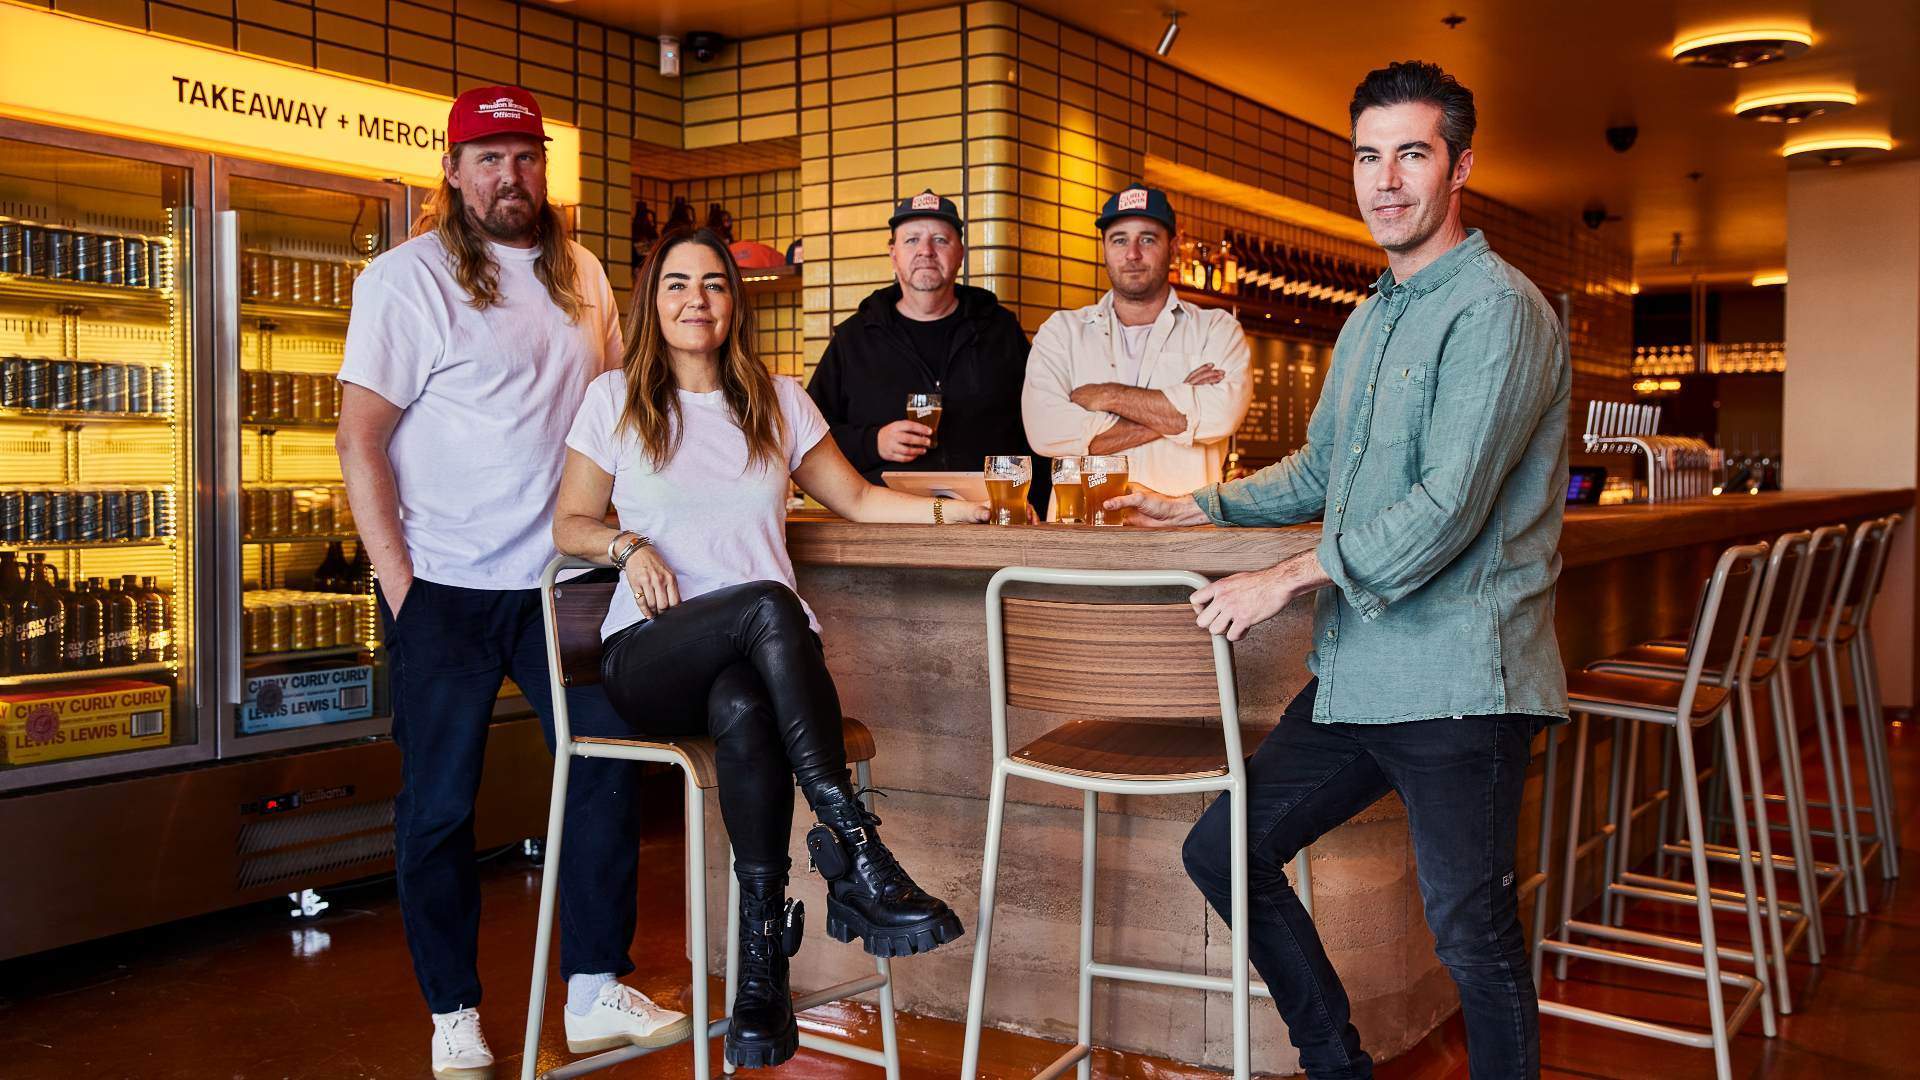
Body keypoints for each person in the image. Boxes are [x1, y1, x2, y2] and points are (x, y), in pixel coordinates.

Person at [1114, 62, 1570, 1078]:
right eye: (1369, 156)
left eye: (1411, 153)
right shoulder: (1372, 314)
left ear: (1460, 167)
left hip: (1460, 680)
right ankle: (1337, 1067)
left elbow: (1447, 510)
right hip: (1362, 674)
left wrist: (1282, 577)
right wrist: (1202, 502)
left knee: (1472, 941)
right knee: (1223, 850)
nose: (1386, 179)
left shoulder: (1500, 310)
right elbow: (1327, 466)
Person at [552, 226, 974, 1069]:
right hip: (648, 655)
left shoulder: (778, 400)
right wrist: (628, 548)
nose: (695, 300)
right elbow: (569, 522)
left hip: (750, 676)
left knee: (746, 705)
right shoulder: (613, 400)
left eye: (712, 285)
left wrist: (949, 511)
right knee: (771, 606)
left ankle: (758, 982)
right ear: (652, 301)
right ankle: (854, 845)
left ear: (733, 303)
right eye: (676, 284)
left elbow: (854, 499)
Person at [336, 84, 687, 1080]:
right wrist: (400, 585)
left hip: (563, 583)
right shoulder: (402, 282)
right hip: (440, 586)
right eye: (487, 157)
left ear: (545, 166)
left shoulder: (581, 274)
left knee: (609, 771)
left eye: (525, 156)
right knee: (441, 807)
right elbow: (359, 441)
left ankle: (592, 991)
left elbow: (617, 416)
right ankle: (454, 1009)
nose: (509, 174)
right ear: (452, 171)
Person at [806, 190, 1045, 515]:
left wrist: (1040, 509)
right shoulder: (854, 338)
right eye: (912, 240)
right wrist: (873, 442)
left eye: (940, 240)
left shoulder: (999, 329)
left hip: (990, 521)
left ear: (960, 253)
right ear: (893, 253)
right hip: (887, 527)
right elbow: (808, 436)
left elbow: (1039, 425)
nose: (926, 251)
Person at [1022, 183, 1252, 498]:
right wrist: (1177, 412)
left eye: (1147, 239)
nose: (1132, 253)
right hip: (1083, 537)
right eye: (1119, 240)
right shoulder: (1061, 333)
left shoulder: (1217, 330)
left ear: (1173, 247)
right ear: (1103, 247)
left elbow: (1221, 416)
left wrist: (1107, 395)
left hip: (1182, 536)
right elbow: (1046, 433)